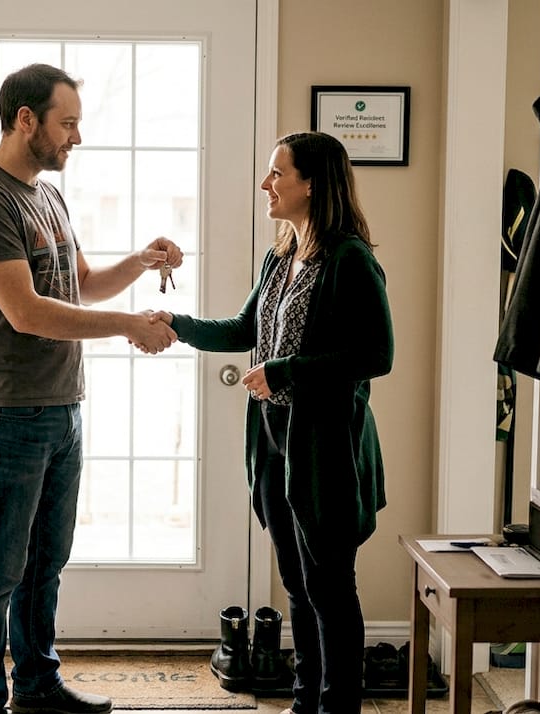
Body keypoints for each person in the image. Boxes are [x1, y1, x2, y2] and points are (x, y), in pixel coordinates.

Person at [0, 63, 182, 714]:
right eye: (67, 123)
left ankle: (38, 685)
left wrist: (140, 261)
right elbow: (27, 312)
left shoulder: (47, 196)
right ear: (26, 119)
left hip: (61, 407)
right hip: (6, 413)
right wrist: (130, 326)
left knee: (45, 561)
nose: (76, 137)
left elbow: (80, 286)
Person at [151, 131, 393, 714]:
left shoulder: (350, 260)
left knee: (330, 589)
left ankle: (338, 709)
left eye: (277, 173)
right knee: (298, 586)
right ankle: (305, 701)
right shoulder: (280, 256)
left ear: (312, 184)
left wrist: (285, 372)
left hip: (324, 448)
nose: (266, 184)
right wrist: (175, 324)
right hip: (272, 443)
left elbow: (375, 355)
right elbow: (244, 329)